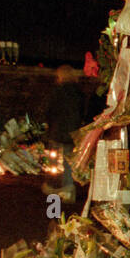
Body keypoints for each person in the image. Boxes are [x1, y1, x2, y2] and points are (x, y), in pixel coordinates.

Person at [43, 66, 86, 202]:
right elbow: (82, 112)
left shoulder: (57, 92)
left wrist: (49, 126)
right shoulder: (79, 93)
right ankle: (68, 189)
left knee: (53, 161)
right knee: (68, 161)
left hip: (57, 131)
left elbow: (49, 111)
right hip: (73, 132)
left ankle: (52, 185)